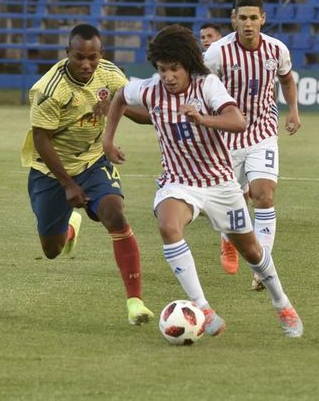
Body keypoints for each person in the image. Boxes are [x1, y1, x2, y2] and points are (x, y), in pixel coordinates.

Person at [103, 24, 303, 338]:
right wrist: (108, 142)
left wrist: (202, 118)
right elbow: (119, 97)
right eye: (162, 69)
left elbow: (238, 121)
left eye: (175, 69)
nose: (168, 76)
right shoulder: (150, 89)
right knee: (169, 226)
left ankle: (282, 303)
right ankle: (203, 309)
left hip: (221, 183)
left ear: (188, 65)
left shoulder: (207, 86)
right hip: (180, 181)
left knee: (252, 252)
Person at [20, 24, 154, 326]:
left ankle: (135, 303)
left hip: (94, 162)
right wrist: (67, 184)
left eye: (92, 57)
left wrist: (118, 107)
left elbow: (141, 112)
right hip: (50, 171)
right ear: (68, 53)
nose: (86, 64)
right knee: (52, 251)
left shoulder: (110, 75)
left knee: (114, 214)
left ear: (101, 54)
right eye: (79, 57)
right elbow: (41, 138)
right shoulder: (48, 90)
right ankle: (70, 228)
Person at [203, 0, 301, 290]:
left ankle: (263, 267)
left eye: (253, 18)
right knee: (230, 200)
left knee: (264, 195)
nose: (248, 24)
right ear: (234, 19)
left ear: (263, 19)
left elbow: (286, 79)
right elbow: (202, 87)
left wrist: (293, 111)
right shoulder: (217, 53)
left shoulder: (276, 49)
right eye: (242, 18)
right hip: (226, 136)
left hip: (262, 131)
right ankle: (228, 240)